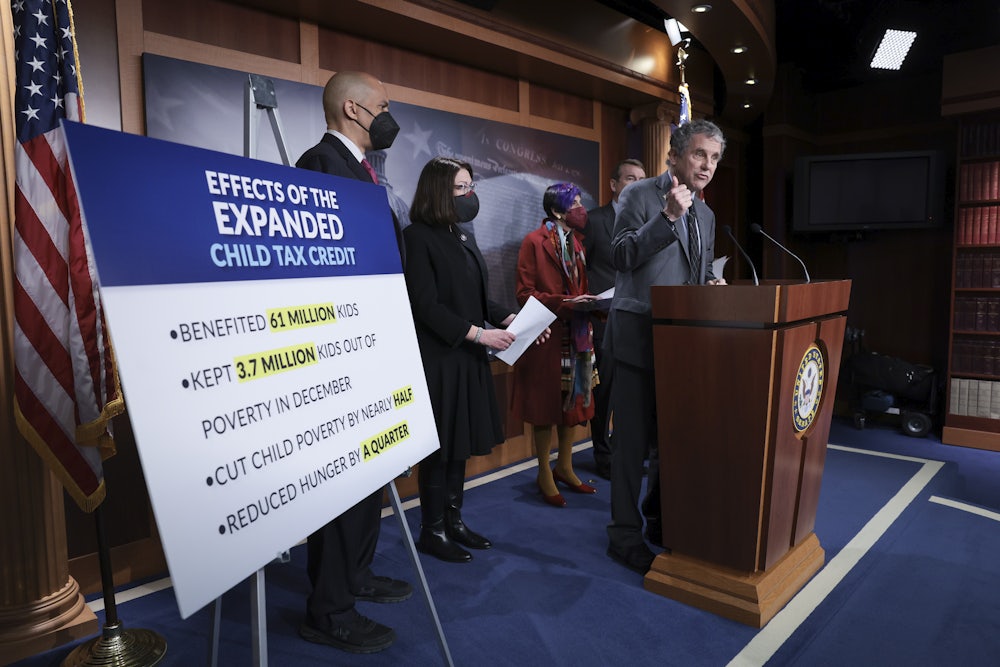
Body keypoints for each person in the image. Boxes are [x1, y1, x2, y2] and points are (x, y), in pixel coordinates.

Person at [295, 70, 411, 654]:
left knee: (369, 481)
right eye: (383, 106)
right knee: (341, 489)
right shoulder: (318, 165)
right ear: (352, 110)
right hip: (340, 356)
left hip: (372, 348)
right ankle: (329, 608)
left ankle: (354, 577)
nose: (390, 117)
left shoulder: (364, 172)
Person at [604, 119, 727, 574]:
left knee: (669, 444)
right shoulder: (639, 196)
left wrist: (711, 283)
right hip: (637, 337)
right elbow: (618, 257)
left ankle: (659, 521)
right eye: (699, 154)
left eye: (714, 158)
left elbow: (695, 271)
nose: (707, 166)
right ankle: (622, 533)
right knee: (631, 445)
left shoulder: (708, 214)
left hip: (682, 343)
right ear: (674, 155)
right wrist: (668, 218)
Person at [402, 156, 518, 563]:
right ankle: (431, 530)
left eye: (471, 186)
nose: (471, 195)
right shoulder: (417, 237)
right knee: (441, 450)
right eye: (461, 188)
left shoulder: (461, 235)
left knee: (460, 446)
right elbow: (425, 306)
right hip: (441, 360)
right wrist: (478, 333)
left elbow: (476, 294)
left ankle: (454, 521)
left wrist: (507, 317)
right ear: (438, 191)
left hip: (467, 357)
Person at [512, 183, 600, 508]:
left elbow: (582, 288)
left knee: (574, 404)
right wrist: (566, 302)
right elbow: (524, 293)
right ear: (556, 211)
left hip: (577, 334)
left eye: (580, 201)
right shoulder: (533, 242)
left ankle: (565, 466)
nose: (580, 208)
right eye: (573, 203)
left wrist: (590, 304)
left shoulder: (577, 244)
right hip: (547, 336)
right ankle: (543, 472)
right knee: (545, 409)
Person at [582, 158, 646, 479]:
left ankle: (626, 452)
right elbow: (582, 270)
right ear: (614, 184)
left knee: (631, 393)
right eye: (630, 178)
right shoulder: (594, 221)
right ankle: (603, 455)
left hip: (637, 319)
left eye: (641, 179)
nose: (636, 184)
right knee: (605, 391)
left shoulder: (650, 221)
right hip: (603, 321)